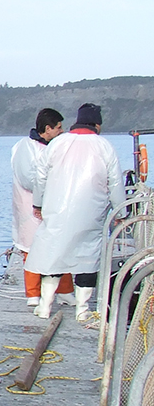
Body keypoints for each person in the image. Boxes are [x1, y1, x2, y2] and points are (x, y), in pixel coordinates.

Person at [25, 103, 125, 321]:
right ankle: (82, 310)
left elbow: (40, 176)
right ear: (97, 124)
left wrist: (38, 204)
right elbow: (116, 182)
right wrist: (121, 212)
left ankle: (45, 306)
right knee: (87, 259)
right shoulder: (104, 146)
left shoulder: (57, 143)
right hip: (91, 212)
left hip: (57, 210)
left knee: (54, 255)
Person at [11, 108, 74, 306]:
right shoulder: (26, 147)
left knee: (60, 246)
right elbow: (29, 179)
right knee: (31, 248)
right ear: (48, 129)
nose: (62, 131)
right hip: (29, 207)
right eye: (59, 128)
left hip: (53, 204)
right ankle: (33, 294)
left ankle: (64, 290)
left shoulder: (54, 146)